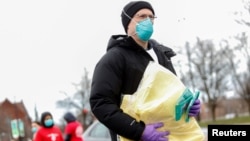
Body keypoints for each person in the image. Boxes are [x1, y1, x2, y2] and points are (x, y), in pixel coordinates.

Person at [89, 1, 201, 141]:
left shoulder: (162, 55)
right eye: (141, 16)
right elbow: (100, 103)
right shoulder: (114, 58)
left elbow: (172, 94)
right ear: (127, 22)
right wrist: (138, 131)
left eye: (151, 17)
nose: (147, 21)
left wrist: (186, 105)